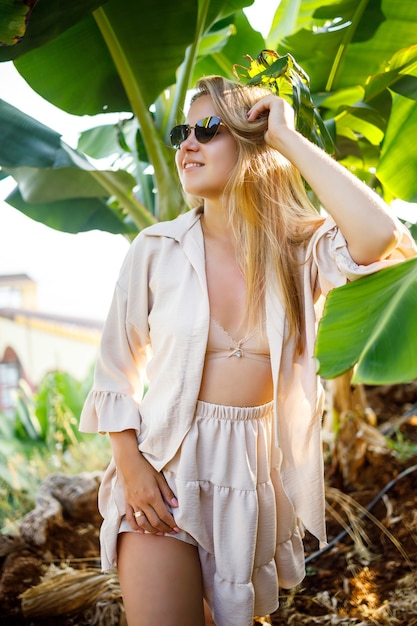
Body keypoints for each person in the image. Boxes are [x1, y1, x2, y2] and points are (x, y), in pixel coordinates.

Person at [79, 75, 416, 626]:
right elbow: (114, 370)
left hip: (250, 475)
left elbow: (379, 237)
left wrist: (287, 136)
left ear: (251, 137)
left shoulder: (301, 252)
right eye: (181, 132)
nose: (188, 143)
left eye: (208, 129)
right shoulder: (156, 249)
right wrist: (130, 464)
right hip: (163, 467)